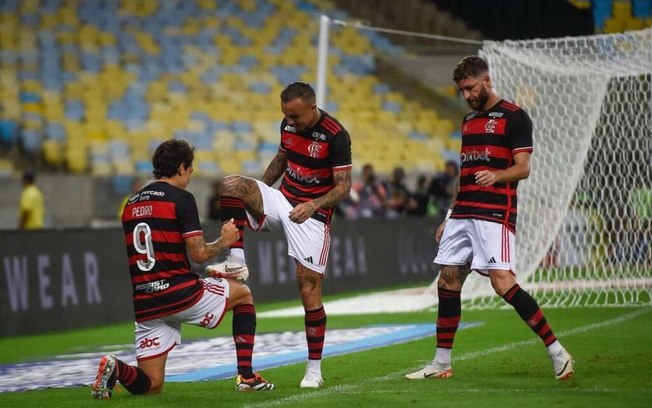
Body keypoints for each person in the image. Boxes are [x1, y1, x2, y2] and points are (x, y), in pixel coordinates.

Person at [405, 56, 574, 381]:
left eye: (470, 87)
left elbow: (523, 168)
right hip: (464, 211)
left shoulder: (515, 117)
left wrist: (496, 176)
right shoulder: (468, 120)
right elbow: (465, 171)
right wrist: (450, 214)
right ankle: (441, 364)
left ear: (487, 80)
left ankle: (557, 352)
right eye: (462, 90)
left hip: (495, 212)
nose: (467, 95)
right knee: (448, 280)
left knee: (502, 282)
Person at [91, 139, 274, 399]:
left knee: (152, 384)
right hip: (179, 293)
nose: (191, 175)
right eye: (190, 169)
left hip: (146, 303)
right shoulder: (181, 199)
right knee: (243, 294)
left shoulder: (131, 204)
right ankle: (246, 376)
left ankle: (116, 367)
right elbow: (198, 253)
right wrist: (225, 240)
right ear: (180, 167)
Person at [205, 82, 352, 388]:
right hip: (284, 200)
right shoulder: (287, 124)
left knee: (308, 290)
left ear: (312, 108)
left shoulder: (336, 135)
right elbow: (281, 160)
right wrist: (258, 191)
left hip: (313, 214)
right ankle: (236, 260)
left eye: (296, 116)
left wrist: (313, 204)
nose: (291, 121)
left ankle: (314, 370)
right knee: (233, 185)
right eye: (286, 115)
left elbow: (343, 187)